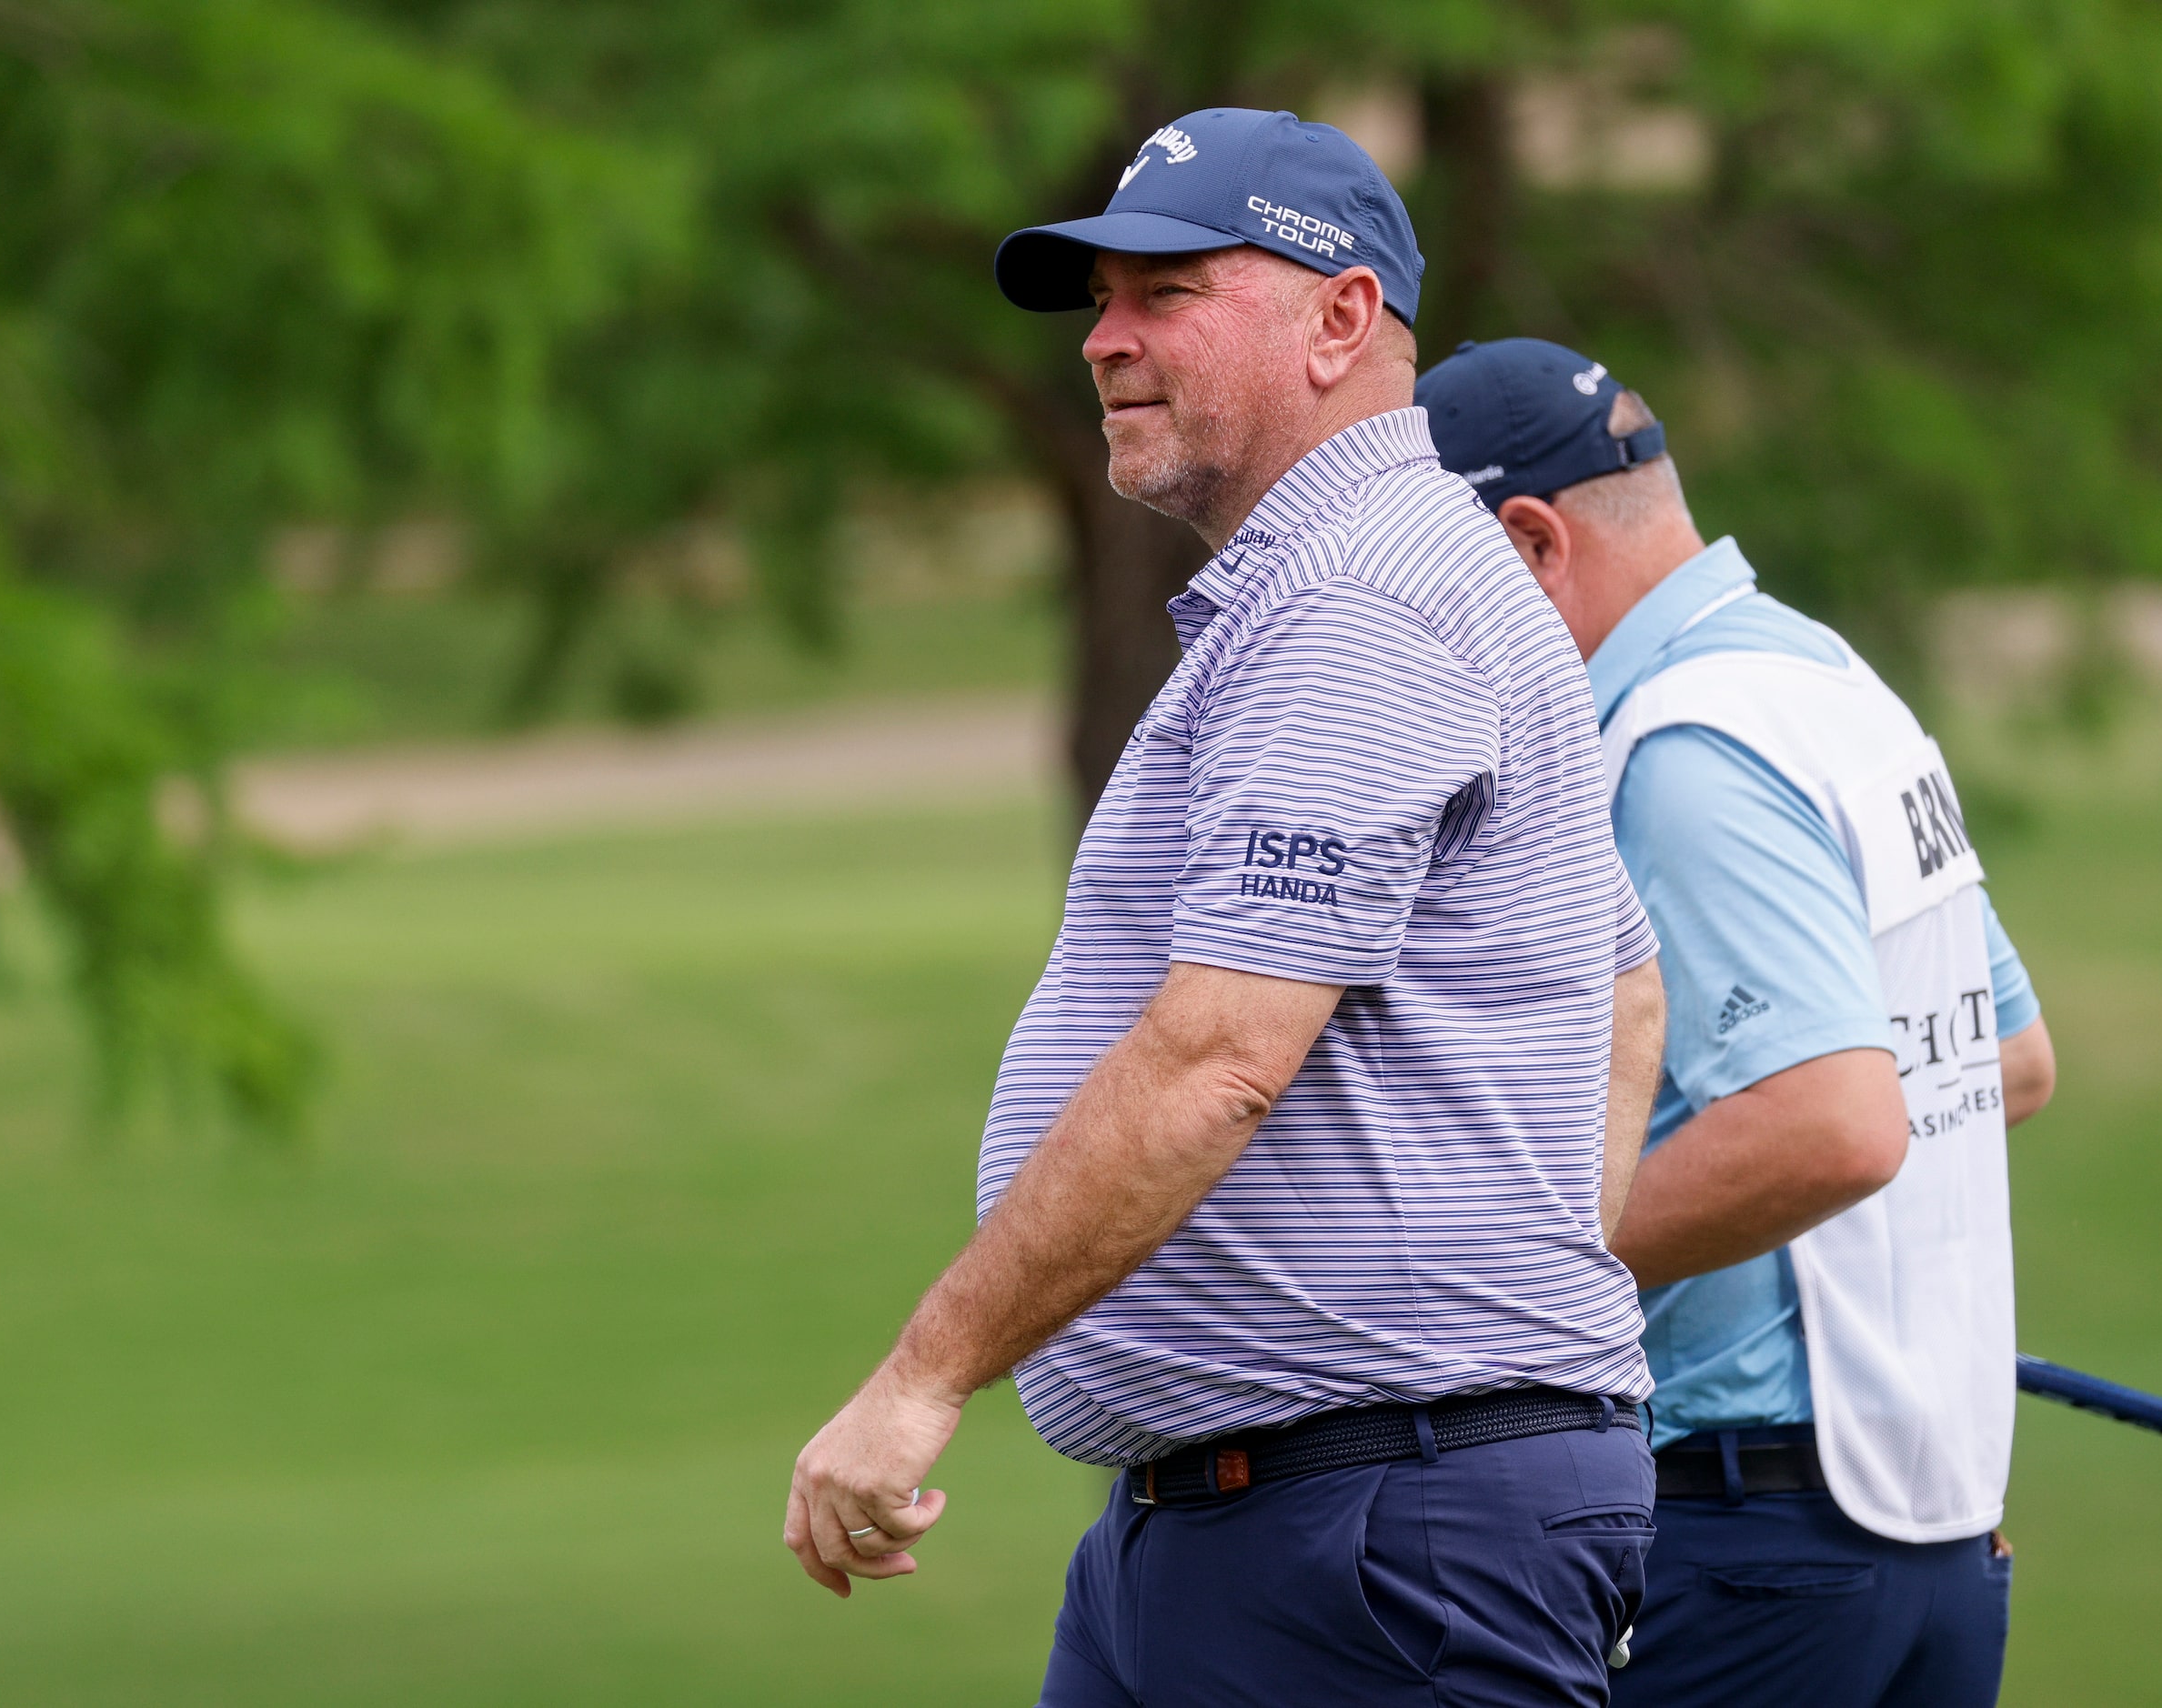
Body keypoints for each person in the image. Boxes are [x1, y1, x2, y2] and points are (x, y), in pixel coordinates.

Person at [784, 111, 1671, 1707]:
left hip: (1372, 1535)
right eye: (1099, 300)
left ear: (1342, 320)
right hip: (1292, 1515)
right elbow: (1626, 992)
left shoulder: (1358, 602)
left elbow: (1219, 1060)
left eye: (1169, 290)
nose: (1105, 340)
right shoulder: (1390, 577)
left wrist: (921, 1380)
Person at [1418, 337, 2060, 1707]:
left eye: (1436, 593)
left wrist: (1508, 1287)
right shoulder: (1825, 680)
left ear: (1532, 544)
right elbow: (2002, 1058)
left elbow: (1831, 1123)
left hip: (1759, 1537)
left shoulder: (1682, 747)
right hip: (1923, 1533)